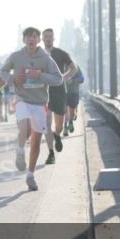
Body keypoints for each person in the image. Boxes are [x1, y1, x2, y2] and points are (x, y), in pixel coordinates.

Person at [0, 28, 63, 191]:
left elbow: (58, 78)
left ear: (38, 40)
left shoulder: (45, 58)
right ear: (24, 40)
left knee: (35, 143)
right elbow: (2, 71)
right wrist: (13, 79)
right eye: (28, 36)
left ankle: (30, 175)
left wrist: (40, 76)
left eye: (35, 36)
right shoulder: (16, 56)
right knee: (25, 129)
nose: (31, 39)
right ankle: (20, 151)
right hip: (22, 99)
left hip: (40, 103)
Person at [41, 28, 78, 164]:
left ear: (53, 38)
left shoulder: (61, 53)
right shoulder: (38, 55)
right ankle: (51, 153)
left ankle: (57, 135)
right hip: (44, 92)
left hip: (59, 91)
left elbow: (74, 68)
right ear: (42, 39)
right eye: (46, 37)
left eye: (50, 36)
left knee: (59, 126)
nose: (48, 39)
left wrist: (63, 77)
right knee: (46, 123)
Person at [65, 67, 84, 134]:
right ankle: (65, 127)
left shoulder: (76, 67)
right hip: (63, 93)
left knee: (72, 111)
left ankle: (70, 122)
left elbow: (82, 79)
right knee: (65, 110)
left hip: (73, 93)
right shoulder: (59, 65)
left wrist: (73, 80)